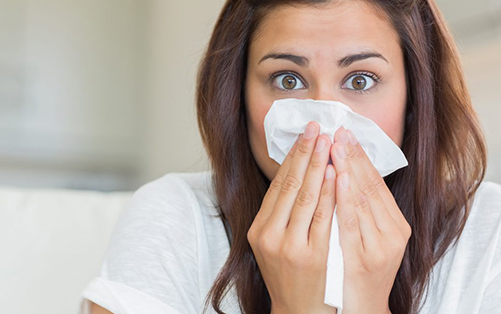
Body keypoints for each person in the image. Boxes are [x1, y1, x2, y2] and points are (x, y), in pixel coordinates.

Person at [80, 0, 501, 313]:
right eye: (288, 79)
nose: (323, 122)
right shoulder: (174, 216)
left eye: (359, 79)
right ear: (237, 99)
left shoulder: (489, 231)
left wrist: (368, 306)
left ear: (414, 99)